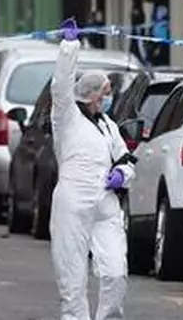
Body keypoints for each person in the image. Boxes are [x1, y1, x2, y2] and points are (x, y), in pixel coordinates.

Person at [50, 17, 134, 320]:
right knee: (73, 278)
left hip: (105, 202)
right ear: (92, 93)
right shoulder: (67, 117)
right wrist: (69, 46)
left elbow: (125, 159)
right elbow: (60, 86)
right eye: (106, 92)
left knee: (115, 272)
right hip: (73, 202)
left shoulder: (109, 125)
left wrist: (122, 175)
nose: (109, 97)